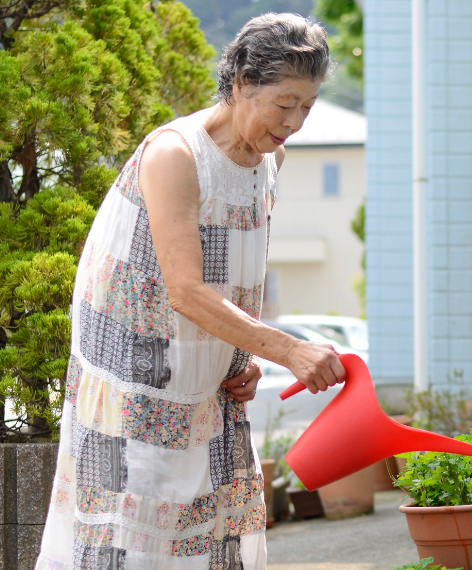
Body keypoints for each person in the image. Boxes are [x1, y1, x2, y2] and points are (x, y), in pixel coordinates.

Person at [36, 13, 344, 570]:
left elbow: (240, 270)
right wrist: (287, 349)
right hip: (136, 382)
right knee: (133, 543)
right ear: (242, 82)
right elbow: (183, 289)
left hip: (209, 387)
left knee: (210, 540)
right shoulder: (175, 154)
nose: (295, 121)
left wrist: (242, 356)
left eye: (308, 105)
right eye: (284, 103)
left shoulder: (270, 158)